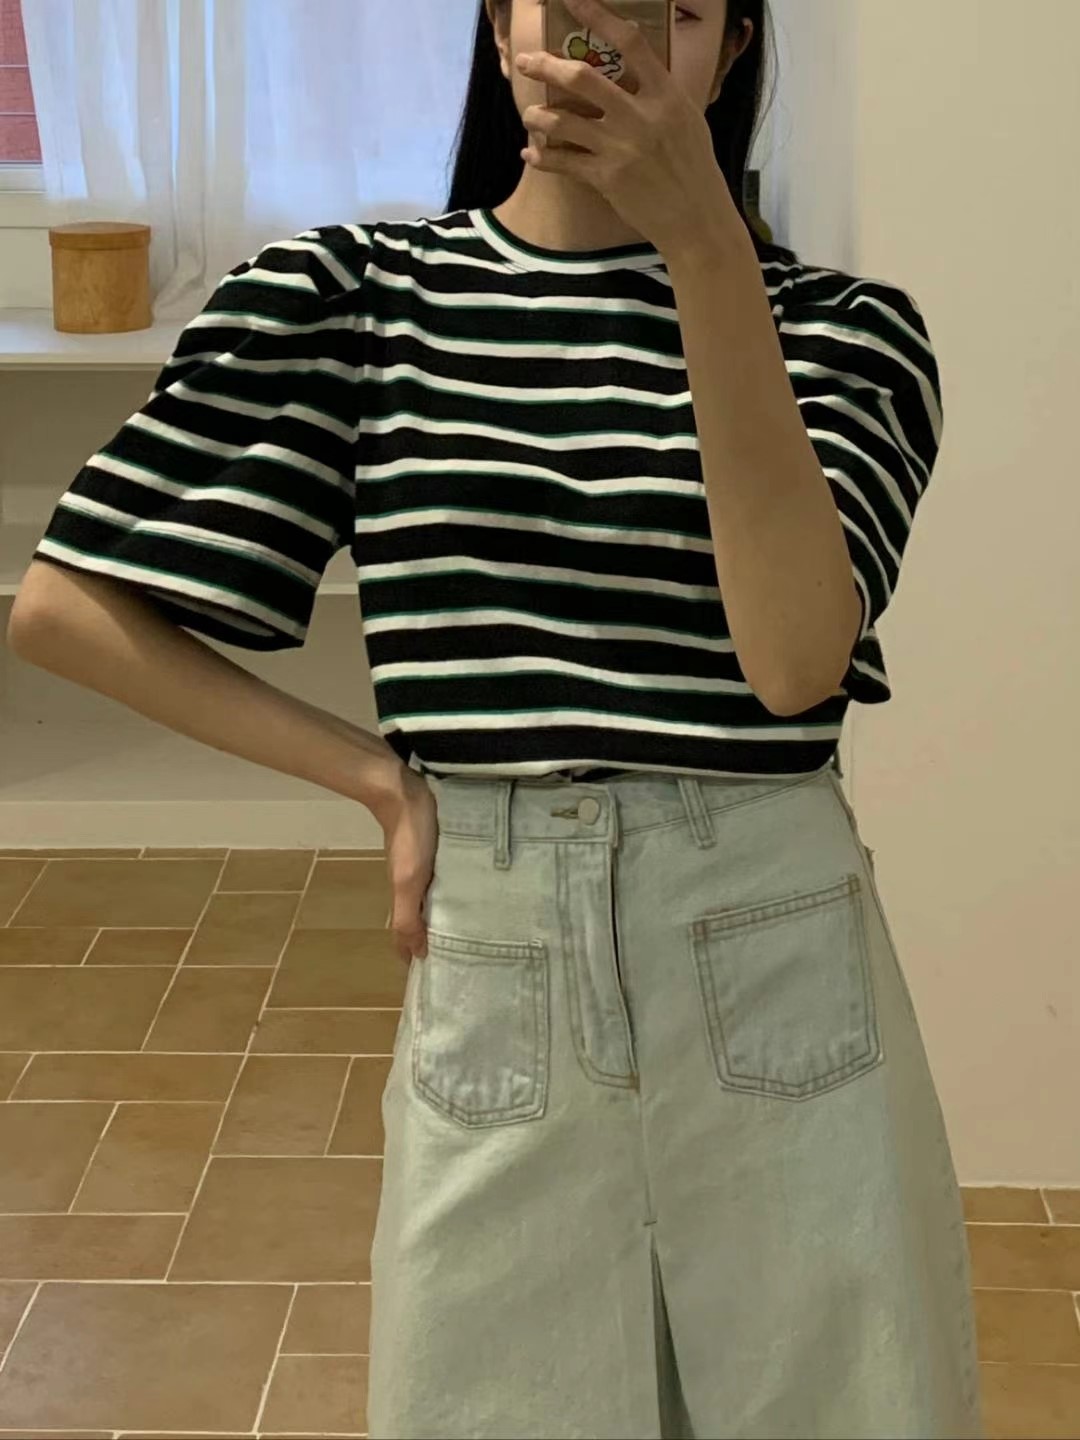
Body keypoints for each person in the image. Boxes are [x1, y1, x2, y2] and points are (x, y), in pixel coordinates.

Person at [7, 0, 983, 1436]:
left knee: (843, 1405)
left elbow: (791, 666)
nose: (613, 48)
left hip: (772, 937)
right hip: (497, 943)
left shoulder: (844, 334)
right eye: (573, 2)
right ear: (500, 18)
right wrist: (373, 778)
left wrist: (706, 249)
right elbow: (65, 606)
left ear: (732, 47)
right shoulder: (359, 299)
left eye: (672, 11)